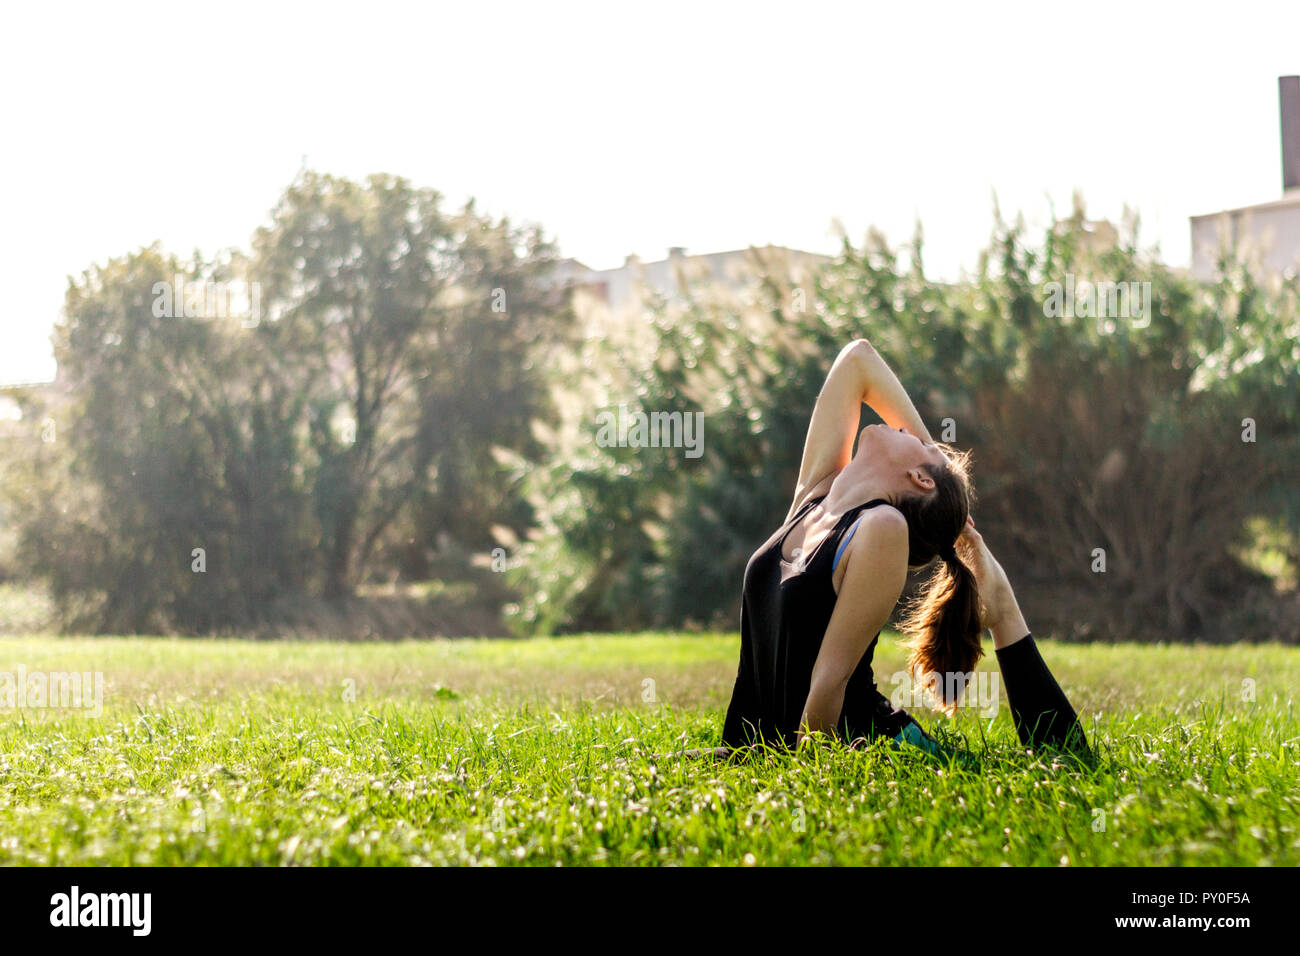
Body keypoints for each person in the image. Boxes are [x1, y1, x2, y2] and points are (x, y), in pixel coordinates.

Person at [715, 338, 1089, 762]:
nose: (908, 431)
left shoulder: (882, 527)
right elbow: (858, 360)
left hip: (878, 748)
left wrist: (805, 781)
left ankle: (1002, 612)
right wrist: (935, 469)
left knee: (1061, 764)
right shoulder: (814, 497)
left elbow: (830, 681)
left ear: (920, 479)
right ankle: (1000, 606)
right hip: (771, 748)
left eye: (925, 446)